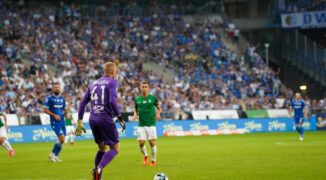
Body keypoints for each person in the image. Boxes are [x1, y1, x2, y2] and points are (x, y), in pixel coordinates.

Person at [75, 62, 125, 180]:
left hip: (93, 119)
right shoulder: (113, 82)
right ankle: (99, 168)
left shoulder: (93, 83)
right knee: (115, 148)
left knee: (102, 149)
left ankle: (98, 177)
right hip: (105, 119)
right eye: (116, 72)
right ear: (113, 72)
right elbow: (112, 102)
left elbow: (82, 103)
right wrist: (120, 117)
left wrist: (79, 122)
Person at [132, 81, 162, 166]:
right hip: (141, 124)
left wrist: (158, 113)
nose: (144, 88)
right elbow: (136, 110)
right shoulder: (137, 99)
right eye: (143, 86)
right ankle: (146, 155)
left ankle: (153, 160)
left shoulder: (153, 98)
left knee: (151, 142)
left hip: (151, 124)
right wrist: (135, 115)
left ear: (148, 88)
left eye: (146, 86)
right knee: (141, 143)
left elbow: (159, 108)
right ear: (140, 88)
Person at [43, 82, 69, 162]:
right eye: (55, 87)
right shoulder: (49, 98)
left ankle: (55, 155)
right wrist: (54, 115)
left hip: (62, 121)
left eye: (58, 87)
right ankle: (52, 154)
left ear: (60, 89)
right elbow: (45, 110)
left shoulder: (62, 99)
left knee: (63, 139)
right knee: (61, 138)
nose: (57, 88)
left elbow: (64, 108)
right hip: (55, 121)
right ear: (53, 89)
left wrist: (67, 113)